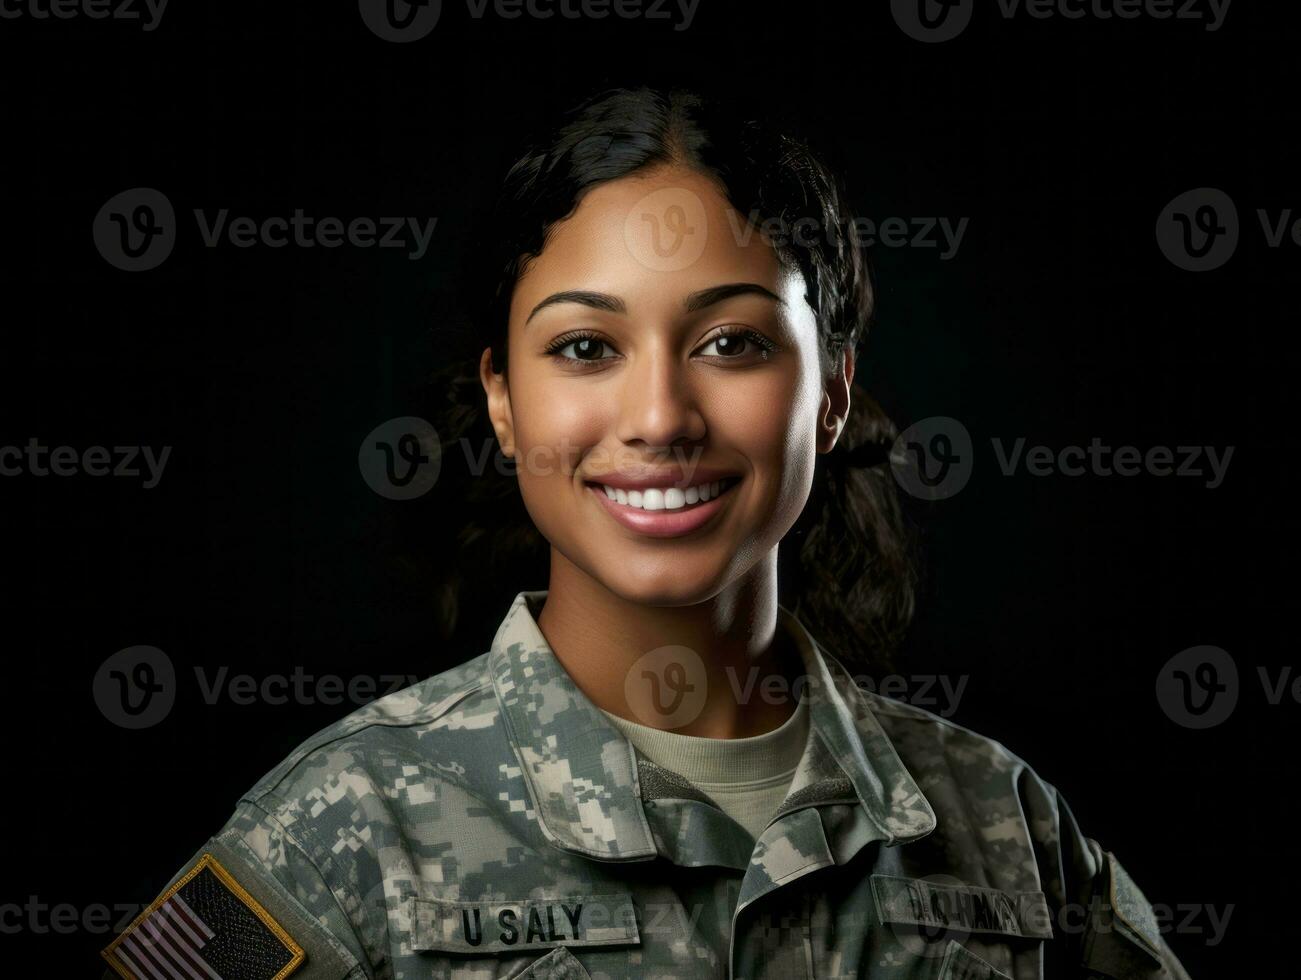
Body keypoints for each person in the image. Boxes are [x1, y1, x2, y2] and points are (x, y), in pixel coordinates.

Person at [101, 86, 1191, 980]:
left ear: (831, 390)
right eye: (584, 347)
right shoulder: (340, 828)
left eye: (730, 341)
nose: (662, 416)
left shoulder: (1005, 826)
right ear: (500, 397)